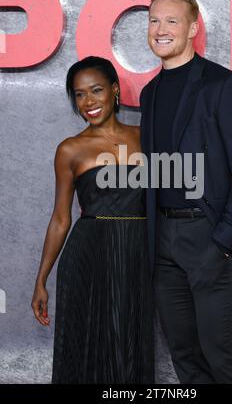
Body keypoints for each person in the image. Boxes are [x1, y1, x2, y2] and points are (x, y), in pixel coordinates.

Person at [140, 0, 232, 384]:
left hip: (209, 236)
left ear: (193, 27)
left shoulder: (224, 85)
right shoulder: (150, 93)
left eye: (171, 20)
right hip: (163, 242)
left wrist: (224, 242)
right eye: (154, 20)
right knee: (187, 361)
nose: (161, 29)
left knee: (224, 360)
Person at [31, 56, 154, 384]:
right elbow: (60, 218)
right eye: (80, 94)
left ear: (114, 90)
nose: (89, 102)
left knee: (129, 343)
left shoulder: (147, 137)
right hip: (89, 255)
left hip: (137, 253)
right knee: (86, 345)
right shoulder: (70, 149)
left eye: (96, 90)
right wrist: (41, 279)